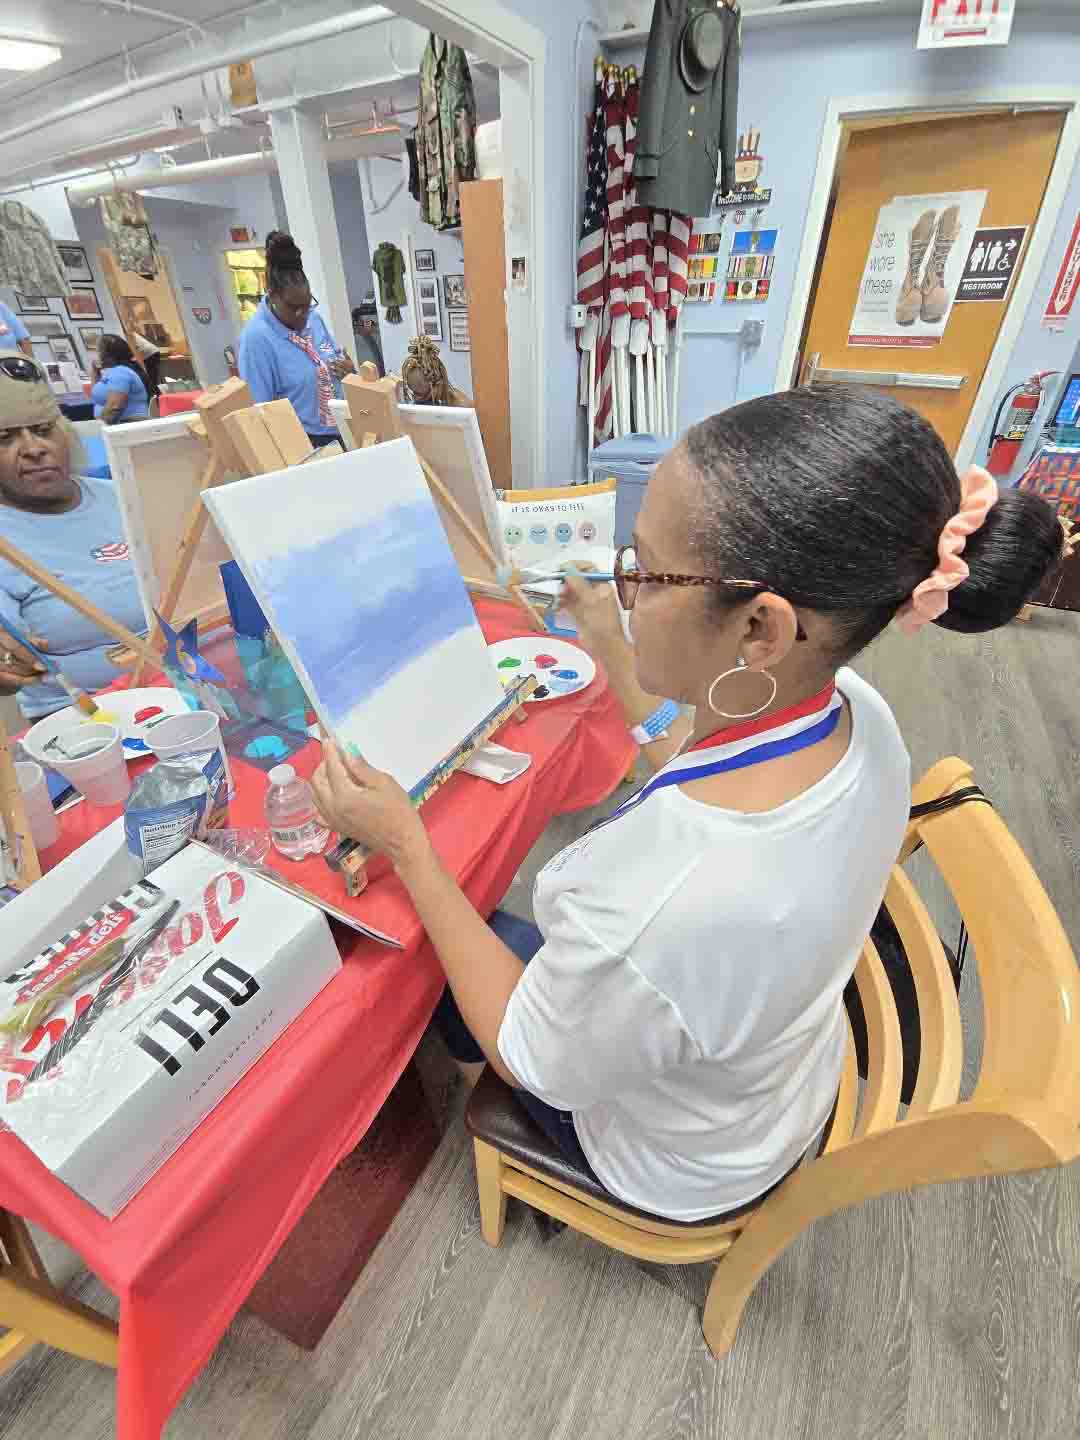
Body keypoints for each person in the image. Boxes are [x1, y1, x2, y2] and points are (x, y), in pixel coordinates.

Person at [311, 386, 1063, 1224]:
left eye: (647, 570)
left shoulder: (664, 905)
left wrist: (409, 847)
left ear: (760, 630)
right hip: (776, 1077)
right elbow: (700, 755)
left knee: (437, 963)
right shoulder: (855, 715)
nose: (624, 588)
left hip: (684, 1157)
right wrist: (609, 639)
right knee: (494, 930)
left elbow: (531, 1058)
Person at [0, 351, 147, 719]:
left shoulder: (122, 495)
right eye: (5, 438)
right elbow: (9, 660)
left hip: (179, 685)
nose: (34, 448)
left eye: (44, 430)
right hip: (81, 717)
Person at [238, 230, 355, 448]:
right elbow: (260, 413)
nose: (303, 314)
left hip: (343, 429)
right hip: (303, 442)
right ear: (273, 296)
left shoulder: (314, 319)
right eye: (294, 308)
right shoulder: (256, 339)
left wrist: (349, 371)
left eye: (307, 305)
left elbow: (334, 362)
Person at [90, 333, 150, 425]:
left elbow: (114, 407)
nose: (95, 355)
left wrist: (99, 427)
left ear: (106, 354)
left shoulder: (120, 373)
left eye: (97, 351)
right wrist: (95, 371)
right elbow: (95, 393)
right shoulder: (114, 371)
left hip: (126, 424)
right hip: (117, 423)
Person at [131, 330, 162, 400]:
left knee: (151, 381)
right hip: (151, 353)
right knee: (152, 380)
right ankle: (157, 399)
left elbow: (134, 350)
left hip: (150, 354)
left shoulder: (127, 334)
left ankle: (157, 400)